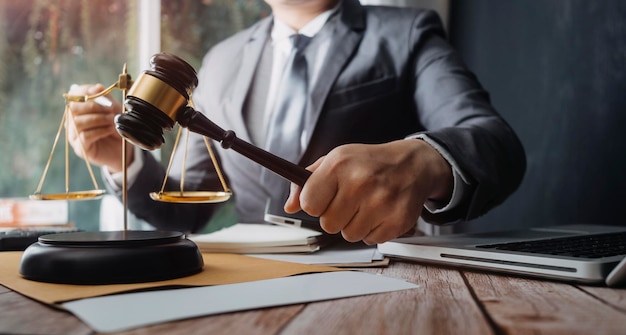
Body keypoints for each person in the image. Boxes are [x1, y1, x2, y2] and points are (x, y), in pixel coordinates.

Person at [67, 0, 526, 245]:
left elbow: (494, 142)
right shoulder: (221, 60)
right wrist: (122, 162)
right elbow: (188, 205)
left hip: (378, 277)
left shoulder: (405, 33)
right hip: (250, 283)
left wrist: (424, 160)